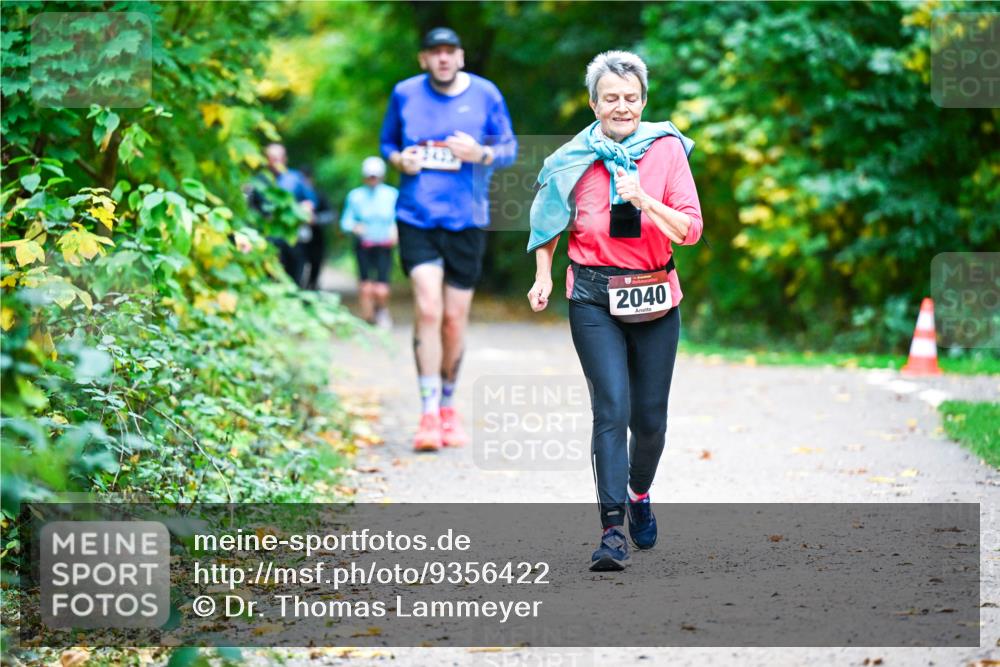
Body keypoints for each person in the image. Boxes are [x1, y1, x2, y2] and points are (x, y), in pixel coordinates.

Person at [526, 51, 703, 571]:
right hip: (592, 297)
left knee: (649, 422)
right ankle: (611, 531)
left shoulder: (667, 151)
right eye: (610, 98)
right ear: (594, 104)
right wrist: (542, 275)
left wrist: (645, 199)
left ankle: (638, 492)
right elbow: (548, 222)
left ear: (643, 102)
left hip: (654, 294)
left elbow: (690, 230)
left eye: (630, 98)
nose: (621, 107)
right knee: (611, 410)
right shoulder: (571, 158)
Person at [380, 27, 517, 451]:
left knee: (454, 318)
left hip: (467, 219)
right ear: (423, 59)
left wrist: (481, 154)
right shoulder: (404, 93)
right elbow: (387, 144)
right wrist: (399, 159)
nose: (442, 58)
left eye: (449, 51)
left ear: (460, 56)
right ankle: (426, 413)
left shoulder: (486, 94)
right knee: (428, 308)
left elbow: (509, 148)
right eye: (434, 52)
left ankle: (447, 407)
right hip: (417, 216)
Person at [248, 143, 318, 286]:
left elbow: (311, 201)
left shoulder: (296, 178)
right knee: (269, 277)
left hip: (293, 237)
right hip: (268, 237)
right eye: (273, 158)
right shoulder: (258, 180)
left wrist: (307, 208)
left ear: (285, 159)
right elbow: (251, 208)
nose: (276, 162)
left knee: (295, 276)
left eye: (279, 158)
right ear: (266, 160)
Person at [340, 157, 399, 327]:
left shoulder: (392, 195)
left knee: (381, 287)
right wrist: (354, 227)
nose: (372, 180)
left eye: (375, 176)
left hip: (384, 245)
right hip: (364, 245)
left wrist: (395, 230)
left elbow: (399, 218)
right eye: (370, 177)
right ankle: (368, 316)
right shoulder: (355, 196)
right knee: (366, 286)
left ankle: (382, 310)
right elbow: (345, 222)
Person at [301, 167, 336, 291]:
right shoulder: (293, 195)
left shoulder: (319, 195)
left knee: (315, 266)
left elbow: (331, 214)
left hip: (317, 239)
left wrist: (316, 220)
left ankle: (313, 288)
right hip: (298, 241)